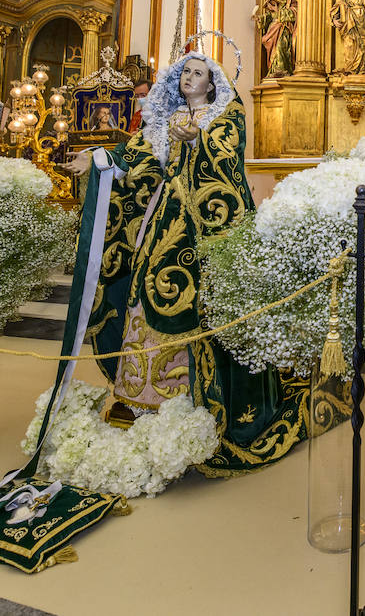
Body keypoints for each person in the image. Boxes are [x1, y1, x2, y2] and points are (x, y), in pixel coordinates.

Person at [77, 51, 307, 472]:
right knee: (143, 294)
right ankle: (141, 398)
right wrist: (101, 161)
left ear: (212, 84)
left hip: (203, 228)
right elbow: (140, 159)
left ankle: (189, 398)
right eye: (185, 71)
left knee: (190, 301)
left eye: (198, 73)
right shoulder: (164, 120)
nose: (189, 77)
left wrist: (197, 141)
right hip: (162, 217)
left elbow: (227, 160)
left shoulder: (223, 119)